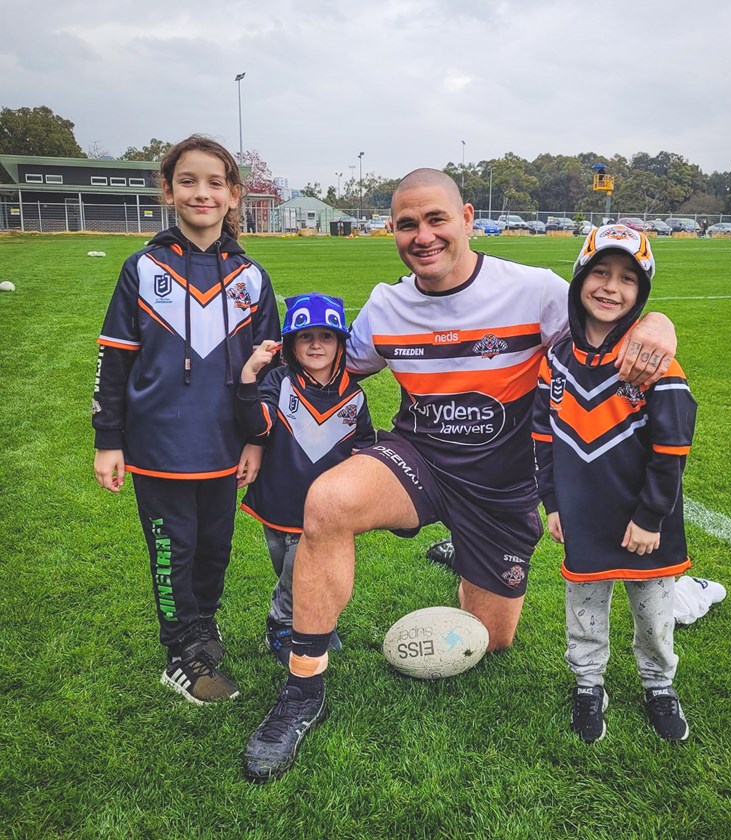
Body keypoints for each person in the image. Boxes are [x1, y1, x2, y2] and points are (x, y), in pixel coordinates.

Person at [241, 168, 678, 782]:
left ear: (467, 218)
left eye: (436, 219)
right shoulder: (387, 305)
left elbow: (610, 318)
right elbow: (329, 358)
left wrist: (659, 326)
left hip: (503, 486)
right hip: (418, 461)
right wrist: (257, 391)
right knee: (329, 502)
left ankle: (467, 552)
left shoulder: (534, 292)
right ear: (393, 231)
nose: (423, 235)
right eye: (407, 224)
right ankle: (302, 689)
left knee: (491, 640)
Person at [92, 135, 281, 704]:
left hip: (225, 446)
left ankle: (202, 624)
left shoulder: (252, 279)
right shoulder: (142, 268)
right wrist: (108, 439)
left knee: (213, 546)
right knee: (173, 547)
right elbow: (115, 359)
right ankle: (180, 651)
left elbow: (269, 371)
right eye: (188, 181)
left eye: (215, 183)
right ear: (169, 190)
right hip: (158, 446)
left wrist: (258, 439)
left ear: (234, 197)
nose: (202, 192)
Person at [532, 224, 697, 743]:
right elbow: (543, 436)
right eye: (599, 272)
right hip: (581, 515)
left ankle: (659, 684)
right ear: (580, 277)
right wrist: (552, 504)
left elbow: (672, 449)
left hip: (645, 523)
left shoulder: (654, 361)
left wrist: (651, 516)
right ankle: (588, 684)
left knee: (652, 613)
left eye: (628, 278)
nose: (610, 287)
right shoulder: (555, 359)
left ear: (642, 293)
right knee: (584, 612)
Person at [235, 293, 375, 667]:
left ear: (340, 342)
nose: (316, 344)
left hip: (323, 511)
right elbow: (257, 425)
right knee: (288, 569)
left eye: (326, 336)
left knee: (305, 568)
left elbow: (364, 448)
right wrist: (249, 377)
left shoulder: (354, 397)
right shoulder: (279, 381)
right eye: (305, 336)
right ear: (289, 343)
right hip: (277, 497)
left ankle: (283, 623)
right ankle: (309, 616)